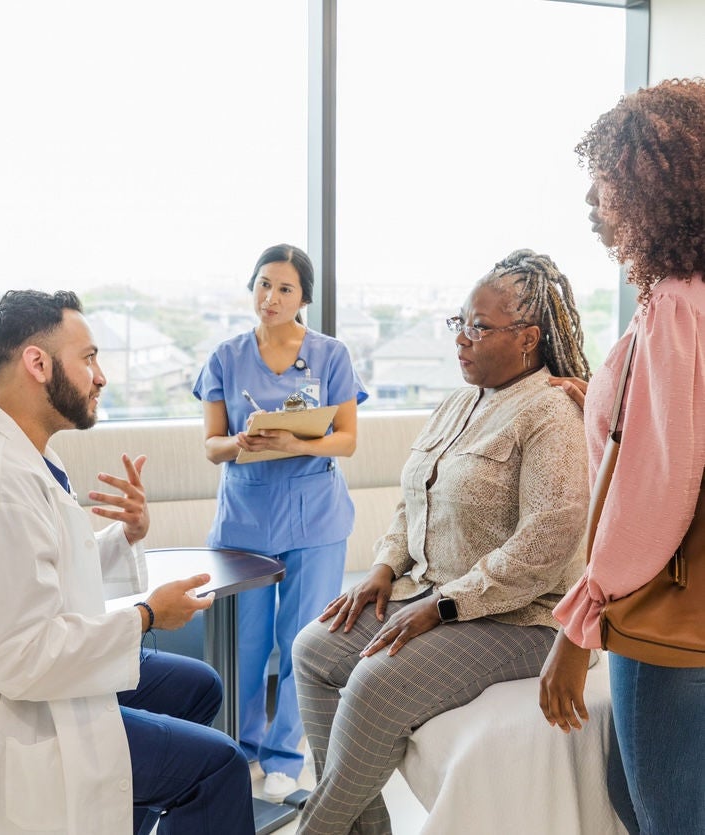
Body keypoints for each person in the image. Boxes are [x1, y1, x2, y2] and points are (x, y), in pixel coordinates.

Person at [291, 248, 591, 835]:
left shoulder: (552, 414)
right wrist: (383, 567)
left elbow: (546, 542)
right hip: (430, 590)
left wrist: (443, 606)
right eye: (460, 323)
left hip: (521, 619)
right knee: (314, 651)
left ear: (528, 337)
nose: (462, 338)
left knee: (376, 683)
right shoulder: (456, 403)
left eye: (479, 327)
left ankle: (317, 829)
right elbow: (412, 500)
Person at [0, 290, 254, 835]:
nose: (100, 376)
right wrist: (147, 617)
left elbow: (49, 572)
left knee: (198, 686)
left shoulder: (30, 454)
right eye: (88, 358)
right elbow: (19, 658)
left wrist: (123, 536)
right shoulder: (0, 484)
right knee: (219, 766)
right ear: (37, 363)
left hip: (53, 668)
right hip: (27, 711)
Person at [539, 77, 705, 835]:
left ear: (655, 192)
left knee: (661, 815)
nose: (593, 206)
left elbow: (653, 488)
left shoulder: (675, 303)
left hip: (667, 619)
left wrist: (581, 623)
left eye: (605, 185)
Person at [193, 243, 368, 801]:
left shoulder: (330, 355)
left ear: (304, 299)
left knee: (300, 643)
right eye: (263, 284)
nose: (270, 297)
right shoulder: (226, 356)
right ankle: (240, 752)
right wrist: (239, 441)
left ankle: (287, 754)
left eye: (285, 288)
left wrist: (295, 439)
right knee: (245, 644)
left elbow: (346, 440)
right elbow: (212, 448)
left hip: (314, 517)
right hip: (245, 515)